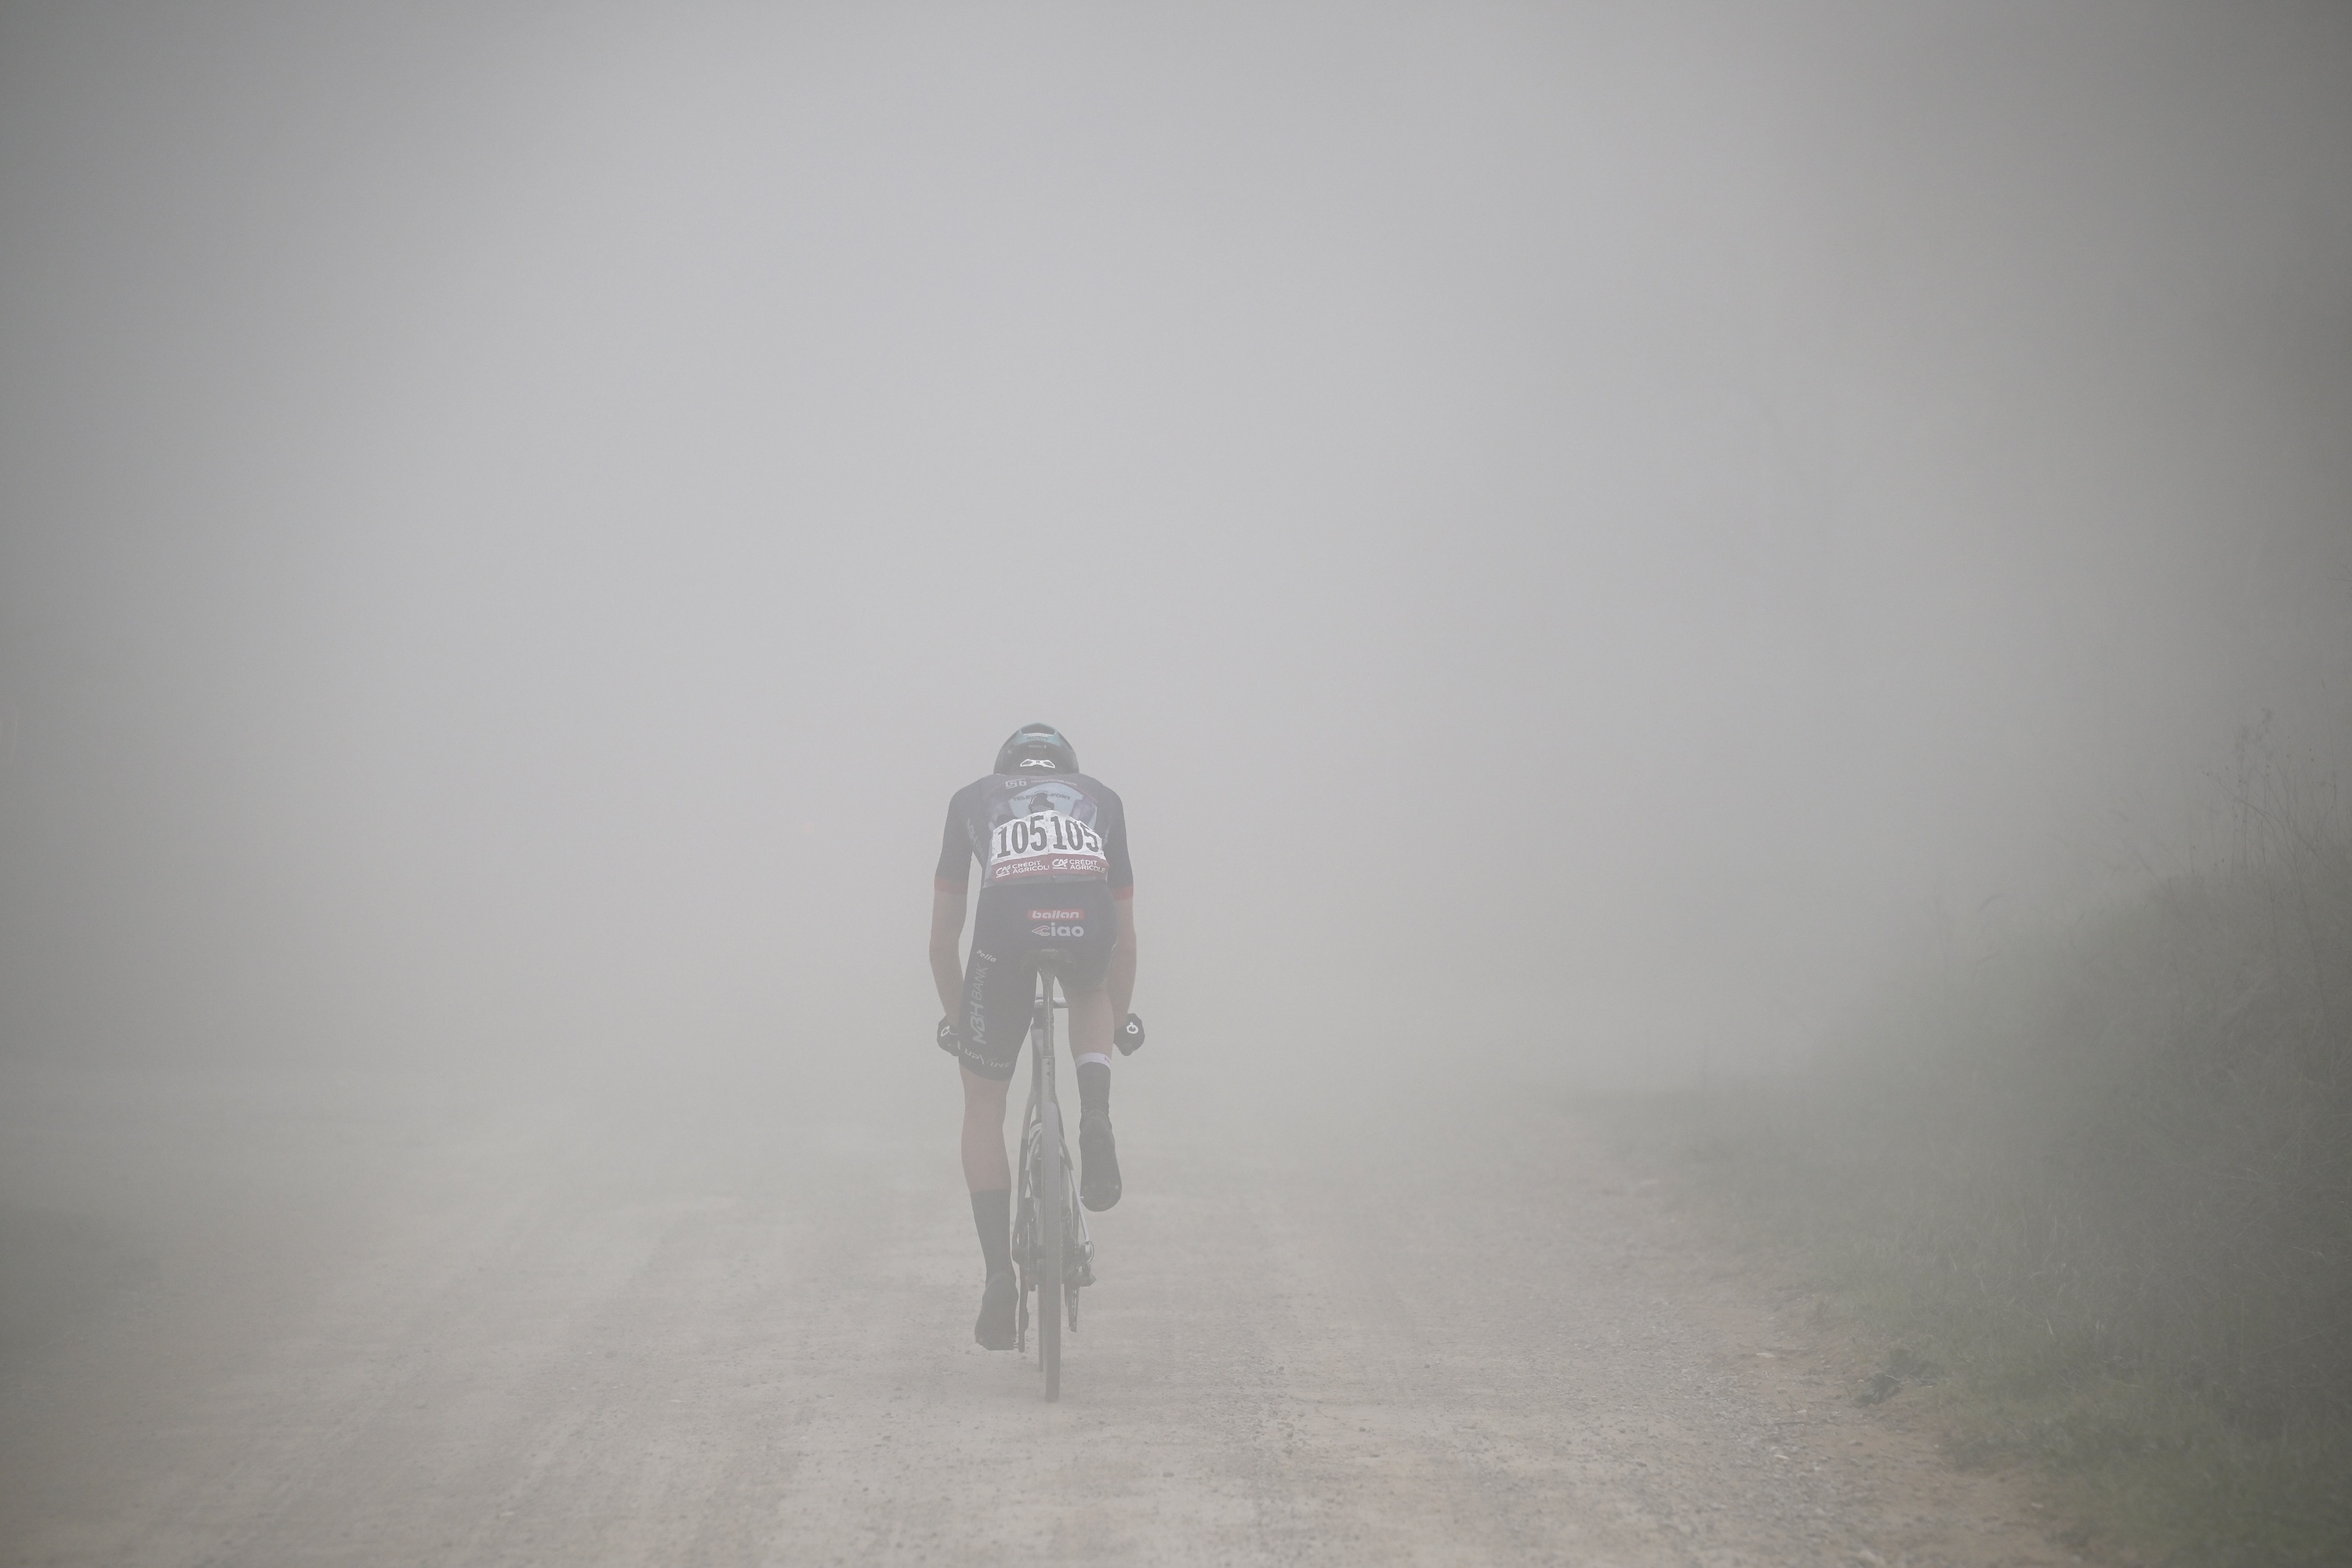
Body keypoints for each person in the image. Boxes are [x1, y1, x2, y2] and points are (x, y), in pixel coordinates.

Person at [931, 723, 1139, 1351]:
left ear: (1006, 770)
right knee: (1090, 987)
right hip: (1087, 919)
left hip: (1005, 927)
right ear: (1069, 772)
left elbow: (942, 941)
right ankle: (1095, 1112)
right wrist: (1120, 1017)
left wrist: (959, 1021)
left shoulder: (971, 798)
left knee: (983, 1103)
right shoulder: (1102, 797)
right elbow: (1127, 941)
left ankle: (999, 1273)